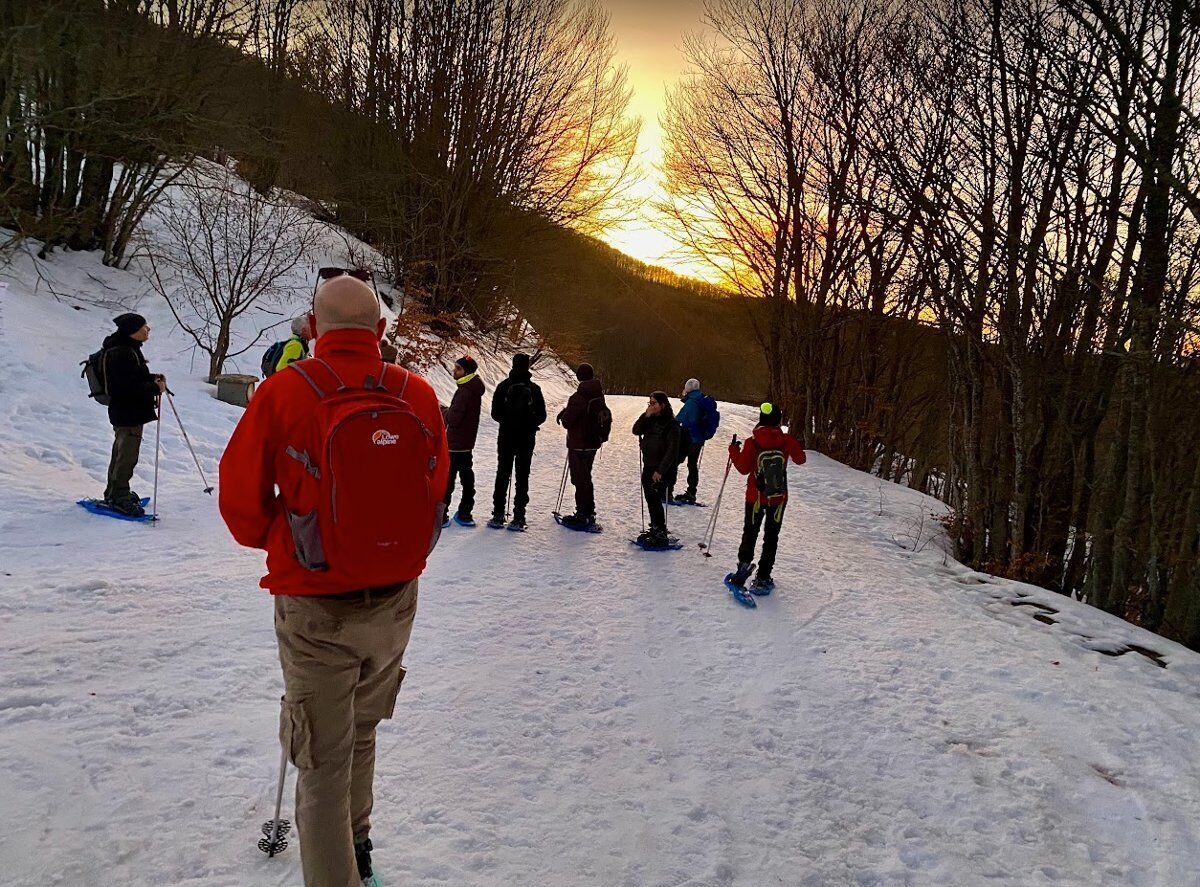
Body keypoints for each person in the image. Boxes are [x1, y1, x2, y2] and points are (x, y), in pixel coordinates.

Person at [218, 274, 449, 887]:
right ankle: (358, 847)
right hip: (395, 601)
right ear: (380, 330)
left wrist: (286, 542)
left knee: (321, 755)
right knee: (362, 731)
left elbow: (240, 505)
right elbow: (435, 489)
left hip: (315, 601)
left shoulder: (284, 392)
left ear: (315, 328)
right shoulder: (418, 394)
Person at [727, 402, 806, 593]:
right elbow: (801, 459)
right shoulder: (786, 440)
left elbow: (743, 468)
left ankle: (743, 566)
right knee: (771, 536)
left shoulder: (752, 441)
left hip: (755, 497)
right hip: (778, 498)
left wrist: (733, 451)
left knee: (750, 532)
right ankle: (763, 576)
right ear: (778, 420)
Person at [100, 312, 166, 516]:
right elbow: (125, 387)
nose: (148, 329)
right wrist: (155, 388)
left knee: (121, 452)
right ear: (133, 331)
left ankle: (114, 492)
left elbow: (132, 378)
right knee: (126, 455)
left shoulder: (127, 349)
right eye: (144, 326)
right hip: (128, 412)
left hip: (126, 411)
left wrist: (152, 378)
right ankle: (119, 495)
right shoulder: (123, 353)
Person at [489, 353, 546, 529]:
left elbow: (495, 413)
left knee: (502, 473)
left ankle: (498, 514)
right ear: (528, 366)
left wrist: (507, 421)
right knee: (522, 476)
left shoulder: (503, 387)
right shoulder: (534, 389)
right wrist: (529, 423)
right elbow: (542, 415)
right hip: (526, 438)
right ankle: (519, 516)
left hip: (506, 436)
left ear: (513, 365)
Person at [556, 363, 609, 529]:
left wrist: (565, 414)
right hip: (593, 443)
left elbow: (567, 422)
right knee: (586, 478)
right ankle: (589, 512)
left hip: (578, 444)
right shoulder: (598, 395)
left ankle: (582, 514)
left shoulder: (578, 397)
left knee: (580, 480)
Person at [632, 391, 680, 548]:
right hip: (649, 465)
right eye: (649, 403)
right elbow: (636, 430)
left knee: (655, 499)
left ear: (662, 405)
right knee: (650, 498)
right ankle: (655, 527)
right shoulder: (650, 419)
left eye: (654, 403)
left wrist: (660, 470)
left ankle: (660, 531)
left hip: (660, 469)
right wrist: (645, 416)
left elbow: (672, 451)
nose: (651, 406)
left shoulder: (672, 425)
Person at [444, 355, 485, 526]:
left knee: (447, 481)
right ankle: (465, 514)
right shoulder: (474, 388)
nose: (454, 370)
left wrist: (444, 411)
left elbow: (453, 420)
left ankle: (441, 516)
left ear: (466, 372)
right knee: (467, 479)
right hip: (467, 443)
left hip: (454, 444)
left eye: (458, 368)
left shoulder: (464, 391)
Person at [673, 378, 711, 504]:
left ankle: (666, 488)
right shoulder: (702, 400)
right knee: (692, 464)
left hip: (688, 436)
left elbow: (679, 418)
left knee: (675, 460)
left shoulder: (691, 402)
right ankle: (691, 492)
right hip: (699, 438)